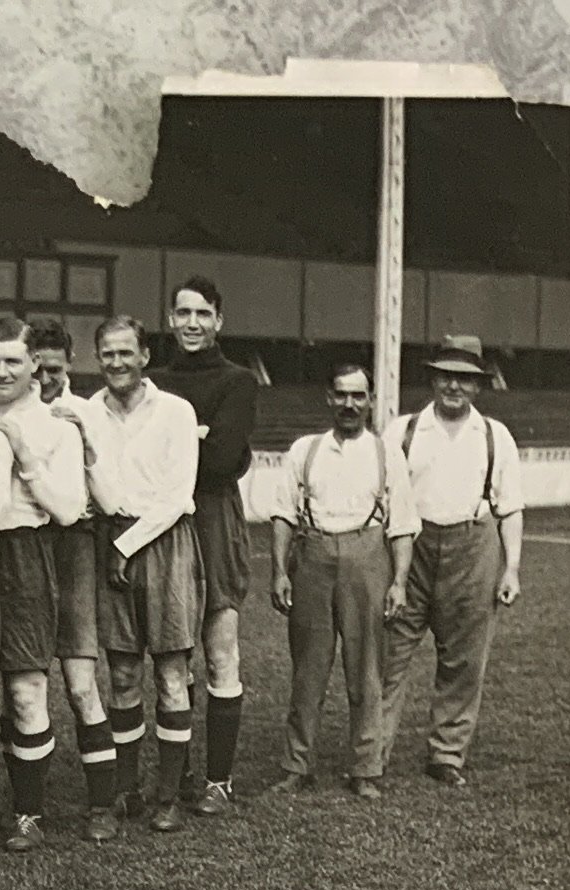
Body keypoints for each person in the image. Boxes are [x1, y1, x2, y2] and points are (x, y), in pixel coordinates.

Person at [375, 336, 526, 790]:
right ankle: (372, 753)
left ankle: (446, 754)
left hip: (471, 547)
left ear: (478, 385)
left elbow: (510, 507)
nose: (454, 387)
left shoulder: (495, 436)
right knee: (389, 654)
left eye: (464, 379)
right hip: (410, 549)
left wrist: (511, 568)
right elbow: (381, 496)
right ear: (433, 379)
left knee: (463, 660)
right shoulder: (402, 431)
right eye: (445, 377)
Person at [70, 313, 202, 831]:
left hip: (165, 542)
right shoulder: (87, 413)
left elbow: (177, 496)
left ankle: (168, 795)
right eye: (108, 353)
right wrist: (116, 543)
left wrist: (125, 547)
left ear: (145, 356)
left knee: (170, 673)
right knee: (123, 673)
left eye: (126, 352)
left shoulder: (176, 411)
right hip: (112, 539)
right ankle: (127, 789)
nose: (117, 362)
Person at [0, 314, 89, 845]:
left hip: (26, 554)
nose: (1, 371)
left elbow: (69, 509)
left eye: (12, 361)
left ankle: (28, 815)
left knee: (25, 689)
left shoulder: (56, 425)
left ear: (34, 363)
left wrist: (24, 454)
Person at [162, 278, 272, 811]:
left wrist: (183, 446)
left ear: (218, 321)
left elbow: (224, 460)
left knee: (220, 650)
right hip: (164, 521)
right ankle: (179, 774)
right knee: (172, 655)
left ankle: (219, 782)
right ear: (170, 319)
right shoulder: (155, 383)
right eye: (183, 313)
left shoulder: (238, 381)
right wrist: (199, 436)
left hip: (214, 520)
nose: (192, 323)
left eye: (202, 313)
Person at [269, 360, 397, 791]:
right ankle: (297, 765)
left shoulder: (385, 453)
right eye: (341, 394)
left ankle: (365, 769)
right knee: (308, 670)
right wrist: (279, 572)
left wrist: (398, 582)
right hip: (313, 555)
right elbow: (284, 515)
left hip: (367, 556)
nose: (349, 404)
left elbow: (403, 526)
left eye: (358, 395)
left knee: (367, 670)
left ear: (371, 400)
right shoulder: (305, 450)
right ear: (329, 398)